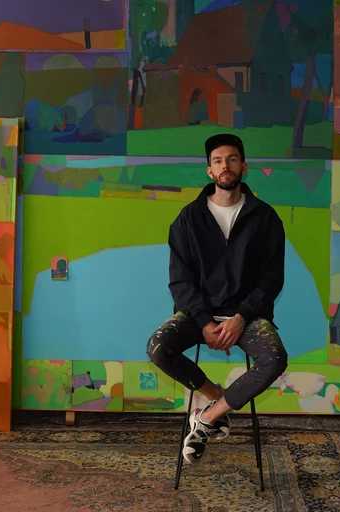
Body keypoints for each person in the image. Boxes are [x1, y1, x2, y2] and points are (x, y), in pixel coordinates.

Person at [146, 133, 288, 465]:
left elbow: (271, 279)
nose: (226, 166)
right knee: (157, 347)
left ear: (244, 167)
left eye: (232, 159)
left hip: (247, 316)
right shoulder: (187, 219)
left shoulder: (266, 218)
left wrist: (240, 318)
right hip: (199, 315)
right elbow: (180, 281)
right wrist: (204, 322)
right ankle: (216, 397)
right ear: (209, 170)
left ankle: (208, 417)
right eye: (218, 161)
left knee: (275, 359)